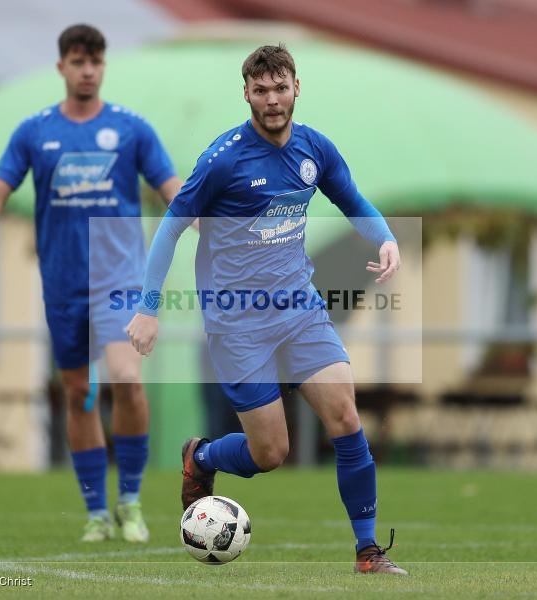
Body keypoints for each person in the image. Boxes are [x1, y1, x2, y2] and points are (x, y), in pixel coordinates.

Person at [126, 44, 408, 575]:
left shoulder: (314, 149)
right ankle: (201, 456)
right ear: (247, 94)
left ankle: (368, 552)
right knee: (270, 453)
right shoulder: (224, 159)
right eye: (261, 91)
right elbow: (170, 228)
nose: (272, 100)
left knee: (346, 417)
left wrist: (385, 238)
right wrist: (147, 308)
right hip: (238, 324)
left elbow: (352, 200)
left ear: (296, 88)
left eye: (281, 88)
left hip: (300, 310)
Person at [0, 24, 183, 543]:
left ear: (104, 66)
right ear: (62, 67)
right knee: (79, 392)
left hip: (119, 278)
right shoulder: (34, 132)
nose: (87, 71)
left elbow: (173, 188)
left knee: (125, 378)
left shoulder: (131, 129)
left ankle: (130, 501)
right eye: (78, 62)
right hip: (63, 283)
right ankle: (96, 512)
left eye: (95, 62)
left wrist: (208, 228)